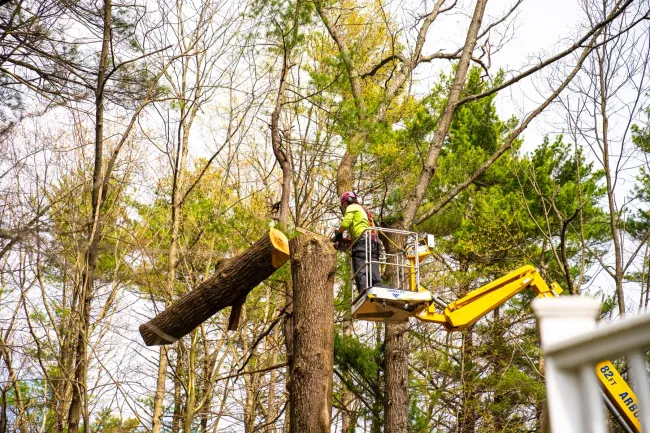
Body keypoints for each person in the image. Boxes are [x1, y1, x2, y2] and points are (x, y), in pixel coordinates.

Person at [332, 192, 382, 294]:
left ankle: (363, 293)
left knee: (360, 270)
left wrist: (338, 233)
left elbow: (346, 222)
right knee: (373, 269)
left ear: (346, 202)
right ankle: (378, 289)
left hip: (363, 242)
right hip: (373, 243)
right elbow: (360, 230)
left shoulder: (352, 207)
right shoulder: (364, 211)